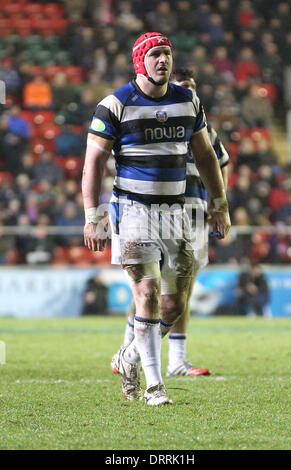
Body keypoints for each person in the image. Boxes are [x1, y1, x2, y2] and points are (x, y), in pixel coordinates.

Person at [82, 32, 231, 406]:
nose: (163, 60)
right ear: (140, 61)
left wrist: (220, 203)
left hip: (176, 212)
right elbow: (94, 163)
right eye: (155, 54)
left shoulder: (187, 101)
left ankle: (128, 356)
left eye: (167, 53)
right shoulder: (115, 104)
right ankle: (154, 385)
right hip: (132, 210)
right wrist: (91, 215)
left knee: (174, 304)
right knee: (146, 295)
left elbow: (208, 156)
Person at [111, 68, 230, 377]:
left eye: (192, 86)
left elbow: (219, 162)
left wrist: (217, 202)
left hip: (193, 211)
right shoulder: (150, 119)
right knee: (146, 288)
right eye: (182, 85)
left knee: (182, 290)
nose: (187, 91)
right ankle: (130, 349)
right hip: (153, 210)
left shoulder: (201, 126)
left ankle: (174, 358)